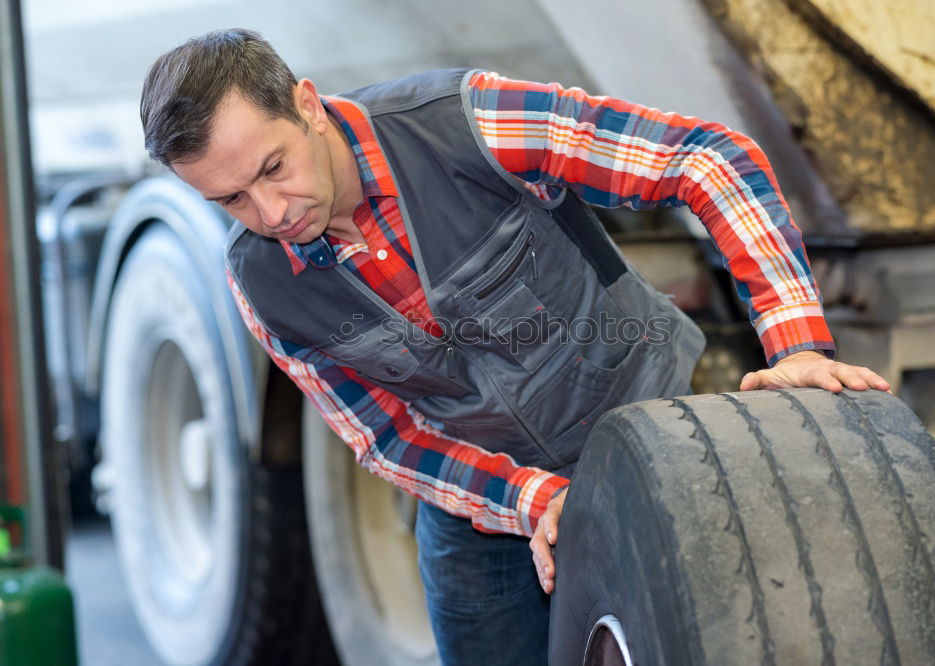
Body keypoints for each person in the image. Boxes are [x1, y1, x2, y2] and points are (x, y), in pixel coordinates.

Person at [140, 28, 890, 665]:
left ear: (306, 103)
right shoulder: (264, 284)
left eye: (274, 168)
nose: (271, 213)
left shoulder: (464, 123)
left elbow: (706, 160)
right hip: (488, 502)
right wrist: (529, 498)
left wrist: (795, 346)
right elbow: (387, 438)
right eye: (230, 199)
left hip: (651, 429)